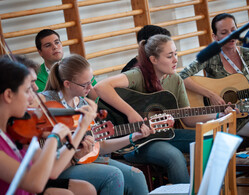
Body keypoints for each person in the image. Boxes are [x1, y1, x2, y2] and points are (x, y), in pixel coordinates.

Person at [94, 34, 234, 185]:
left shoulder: (175, 79)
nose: (175, 60)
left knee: (213, 142)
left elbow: (188, 118)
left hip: (163, 136)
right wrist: (131, 113)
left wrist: (219, 114)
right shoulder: (137, 75)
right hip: (135, 141)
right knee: (174, 156)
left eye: (176, 53)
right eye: (169, 56)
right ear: (153, 60)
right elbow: (101, 87)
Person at [36, 54, 154, 195]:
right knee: (114, 175)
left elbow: (101, 146)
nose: (90, 88)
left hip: (84, 158)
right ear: (67, 84)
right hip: (61, 164)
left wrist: (132, 137)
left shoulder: (83, 103)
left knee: (136, 176)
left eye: (90, 82)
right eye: (85, 84)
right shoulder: (45, 100)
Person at [179, 13, 249, 189]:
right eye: (224, 32)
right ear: (215, 37)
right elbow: (181, 77)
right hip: (224, 116)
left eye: (234, 30)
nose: (231, 36)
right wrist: (210, 94)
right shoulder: (210, 56)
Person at [0, 57, 97, 195]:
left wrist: (81, 129)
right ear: (9, 95)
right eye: (27, 91)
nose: (32, 98)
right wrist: (54, 137)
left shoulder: (16, 131)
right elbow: (35, 184)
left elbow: (53, 170)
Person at [35, 29, 97, 100]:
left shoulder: (76, 65)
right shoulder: (35, 78)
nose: (55, 47)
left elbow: (96, 97)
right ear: (40, 52)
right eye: (48, 45)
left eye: (57, 42)